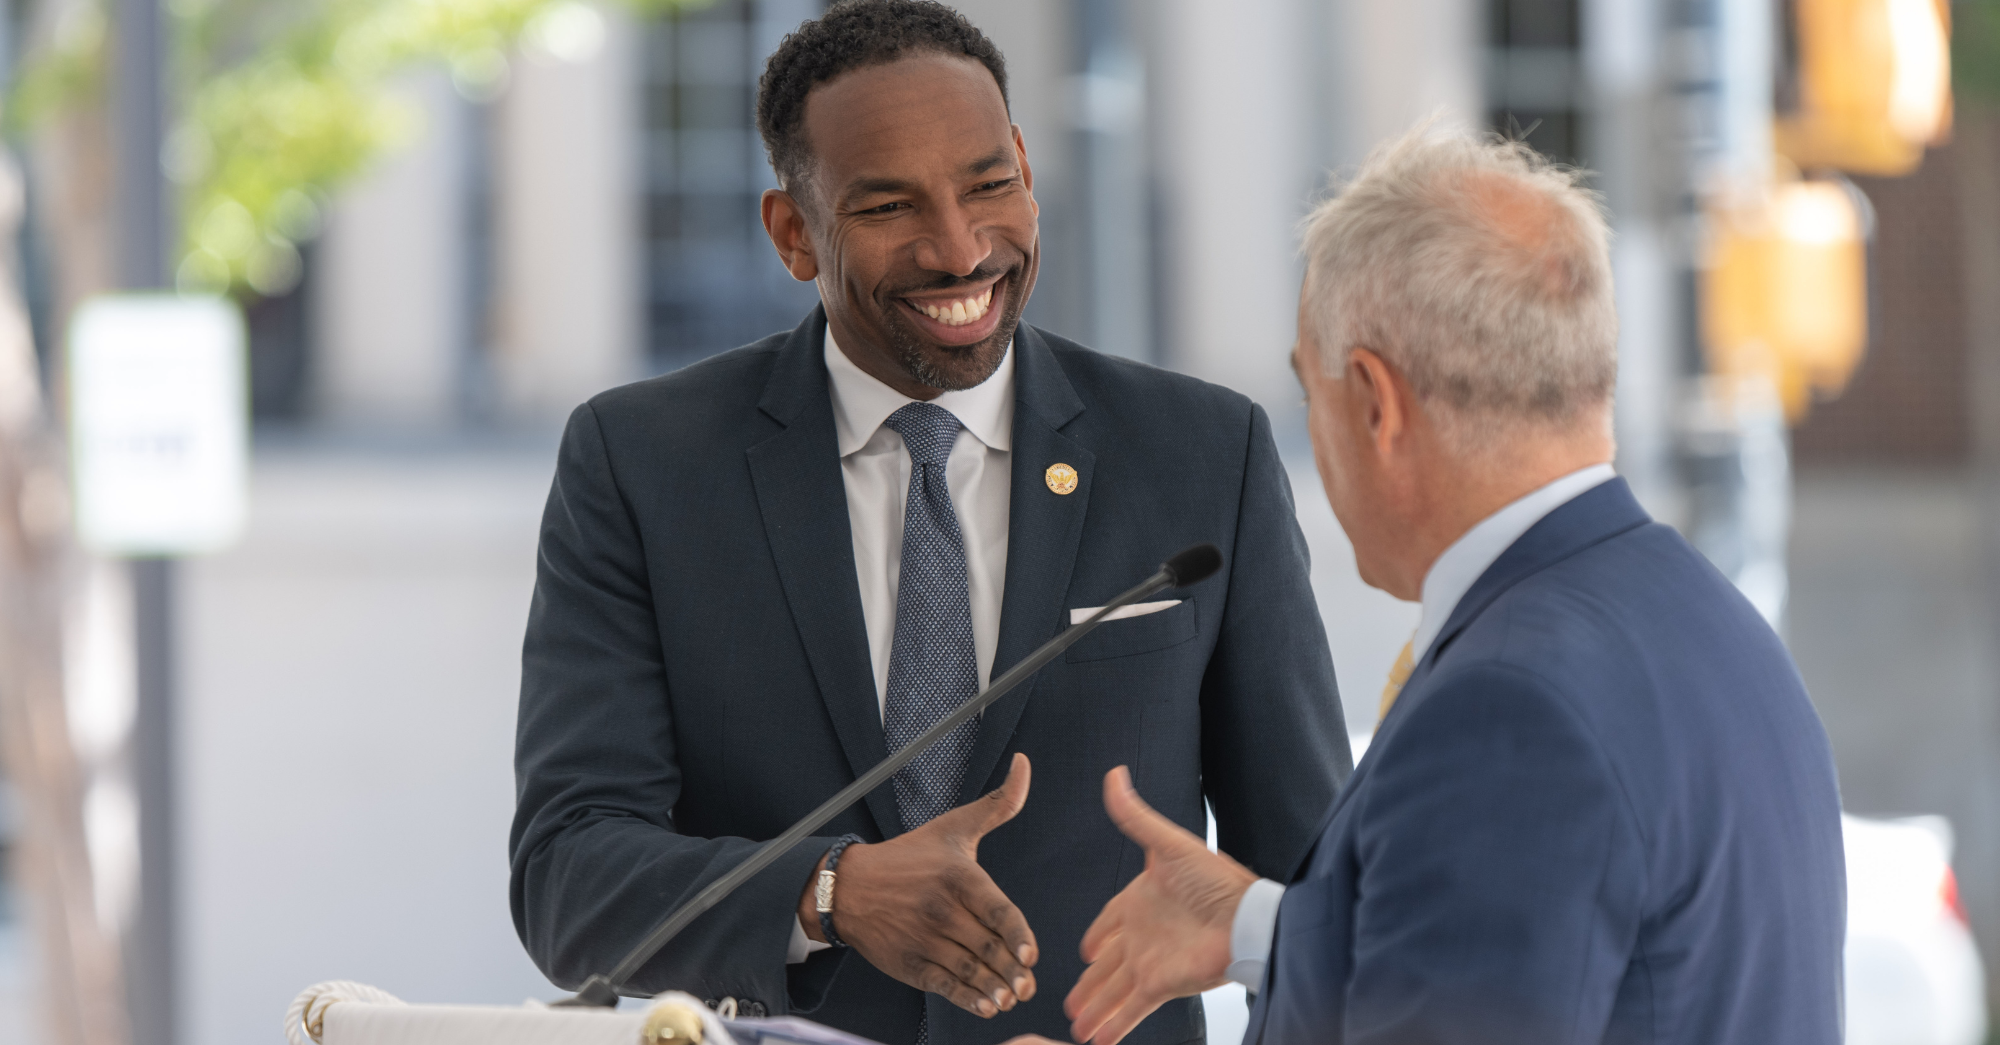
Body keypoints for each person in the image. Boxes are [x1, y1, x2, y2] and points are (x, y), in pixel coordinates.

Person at [507, 3, 1350, 1043]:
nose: (960, 250)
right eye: (887, 205)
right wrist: (830, 891)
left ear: (1027, 168)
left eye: (989, 184)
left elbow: (1318, 895)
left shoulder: (1200, 454)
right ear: (791, 234)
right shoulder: (642, 464)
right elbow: (566, 875)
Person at [1052, 126, 1846, 1045]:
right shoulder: (1706, 622)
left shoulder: (1511, 704)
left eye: (1311, 394)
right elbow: (1523, 952)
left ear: (1374, 402)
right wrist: (1256, 927)